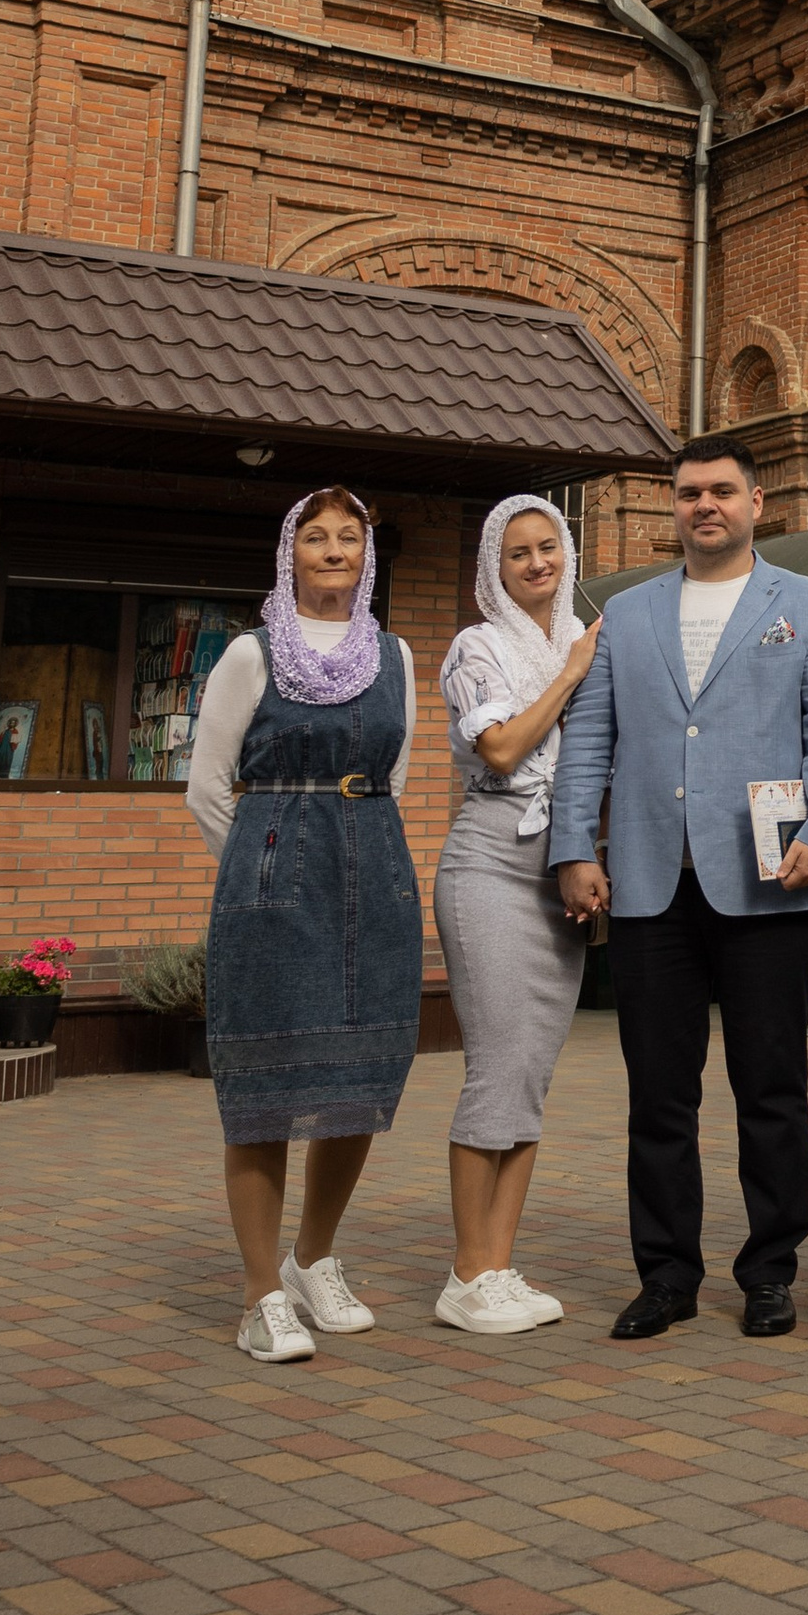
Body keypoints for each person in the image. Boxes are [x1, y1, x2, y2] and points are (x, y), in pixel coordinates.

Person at [550, 439, 808, 1343]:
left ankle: (770, 1272)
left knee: (772, 1087)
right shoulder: (629, 612)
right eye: (689, 494)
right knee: (658, 1094)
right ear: (674, 507)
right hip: (652, 883)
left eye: (722, 492)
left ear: (756, 503)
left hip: (770, 884)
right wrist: (576, 845)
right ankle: (667, 1274)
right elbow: (590, 740)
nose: (705, 506)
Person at [185, 487, 421, 1366]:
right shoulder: (251, 655)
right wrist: (261, 867)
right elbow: (208, 786)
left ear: (366, 554)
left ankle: (315, 1257)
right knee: (263, 1092)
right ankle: (260, 1296)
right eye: (315, 537)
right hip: (276, 875)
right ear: (290, 553)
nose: (332, 550)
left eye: (348, 538)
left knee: (357, 1075)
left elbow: (393, 773)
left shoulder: (394, 654)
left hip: (373, 868)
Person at [430, 494, 601, 1335]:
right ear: (494, 571)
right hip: (492, 862)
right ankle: (466, 1272)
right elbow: (499, 748)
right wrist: (571, 671)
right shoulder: (480, 645)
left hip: (559, 872)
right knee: (497, 1064)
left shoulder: (576, 633)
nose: (537, 563)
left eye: (548, 548)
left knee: (530, 1071)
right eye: (517, 554)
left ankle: (496, 1266)